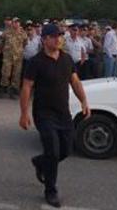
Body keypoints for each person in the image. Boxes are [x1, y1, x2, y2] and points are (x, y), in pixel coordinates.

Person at [19, 23, 90, 208]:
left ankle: (40, 162)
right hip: (44, 113)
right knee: (53, 150)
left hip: (63, 113)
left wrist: (84, 101)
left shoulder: (66, 59)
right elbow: (27, 87)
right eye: (54, 36)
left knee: (66, 150)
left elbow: (75, 81)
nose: (58, 39)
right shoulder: (36, 62)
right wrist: (24, 113)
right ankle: (50, 190)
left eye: (60, 35)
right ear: (44, 39)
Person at [0, 17, 27, 99]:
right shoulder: (6, 32)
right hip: (8, 56)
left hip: (18, 57)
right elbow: (2, 42)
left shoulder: (22, 32)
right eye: (15, 22)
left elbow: (25, 43)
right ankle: (3, 88)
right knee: (6, 73)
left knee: (16, 74)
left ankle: (14, 90)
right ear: (12, 23)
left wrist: (19, 50)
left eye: (18, 22)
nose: (16, 24)